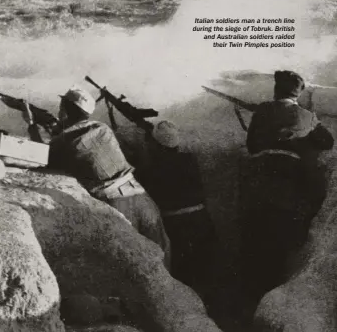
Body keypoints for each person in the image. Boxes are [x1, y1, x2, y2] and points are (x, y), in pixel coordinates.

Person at [22, 86, 171, 267]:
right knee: (163, 259)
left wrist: (31, 125)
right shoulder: (102, 128)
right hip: (141, 197)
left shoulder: (63, 142)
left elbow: (41, 157)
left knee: (132, 265)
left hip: (118, 205)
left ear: (65, 111)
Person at [240, 70, 334, 307]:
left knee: (253, 239)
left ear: (276, 91)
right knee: (279, 241)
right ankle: (272, 301)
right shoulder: (306, 116)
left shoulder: (262, 111)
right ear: (298, 94)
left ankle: (249, 299)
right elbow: (327, 141)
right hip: (286, 184)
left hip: (257, 181)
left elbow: (251, 145)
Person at [135, 120, 218, 294]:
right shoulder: (189, 160)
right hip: (202, 220)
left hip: (176, 226)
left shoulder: (150, 169)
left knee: (184, 277)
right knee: (207, 271)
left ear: (157, 145)